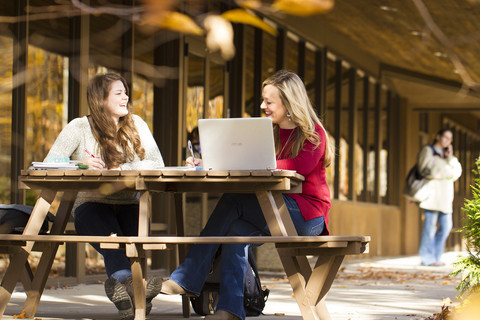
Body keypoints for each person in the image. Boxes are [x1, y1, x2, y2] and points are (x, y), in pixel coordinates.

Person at [159, 70, 334, 320]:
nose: (263, 106)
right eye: (263, 100)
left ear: (289, 103)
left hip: (306, 216)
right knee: (235, 234)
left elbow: (300, 167)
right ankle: (230, 309)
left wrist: (260, 161)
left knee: (234, 200)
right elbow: (246, 161)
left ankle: (187, 277)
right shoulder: (268, 134)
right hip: (273, 209)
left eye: (269, 102)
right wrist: (206, 162)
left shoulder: (313, 133)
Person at [44, 73, 165, 319]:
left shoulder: (137, 124)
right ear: (101, 99)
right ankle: (137, 290)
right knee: (115, 245)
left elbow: (157, 162)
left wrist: (126, 169)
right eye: (119, 93)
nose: (126, 97)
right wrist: (80, 164)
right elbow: (49, 164)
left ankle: (127, 291)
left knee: (131, 247)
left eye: (126, 92)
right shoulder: (79, 127)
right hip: (92, 206)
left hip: (131, 204)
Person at [417, 128, 462, 266]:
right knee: (429, 228)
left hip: (446, 199)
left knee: (447, 227)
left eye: (450, 139)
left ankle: (436, 255)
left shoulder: (449, 157)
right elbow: (423, 170)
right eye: (445, 137)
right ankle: (427, 258)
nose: (447, 141)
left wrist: (450, 159)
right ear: (438, 136)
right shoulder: (428, 151)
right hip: (431, 197)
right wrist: (446, 173)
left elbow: (457, 172)